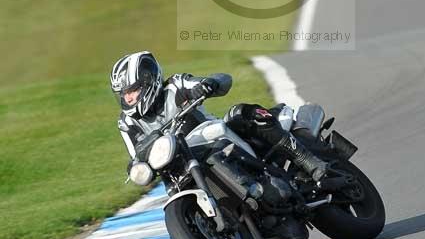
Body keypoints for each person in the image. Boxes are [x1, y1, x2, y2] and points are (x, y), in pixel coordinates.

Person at [110, 51, 327, 180]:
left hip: (215, 139)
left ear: (149, 81)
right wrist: (133, 167)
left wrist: (208, 84)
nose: (128, 98)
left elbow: (223, 80)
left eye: (133, 90)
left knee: (242, 113)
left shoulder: (175, 86)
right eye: (124, 94)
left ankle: (307, 160)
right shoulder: (127, 122)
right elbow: (135, 155)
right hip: (180, 164)